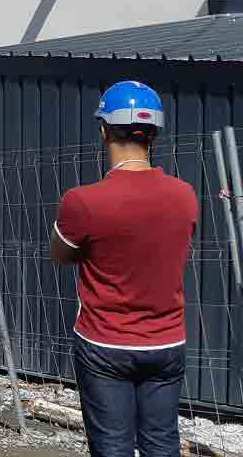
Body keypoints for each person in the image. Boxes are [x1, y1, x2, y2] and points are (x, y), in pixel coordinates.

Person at [50, 81, 197, 457]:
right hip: (166, 341)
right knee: (162, 442)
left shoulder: (82, 201)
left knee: (112, 445)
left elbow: (62, 255)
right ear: (154, 134)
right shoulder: (185, 195)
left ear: (104, 131)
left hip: (105, 342)